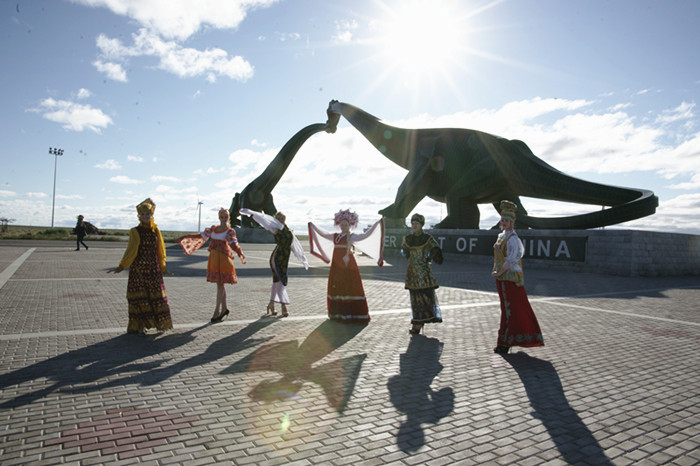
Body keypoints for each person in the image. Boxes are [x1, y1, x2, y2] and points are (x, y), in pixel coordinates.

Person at [107, 198, 173, 335]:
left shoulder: (156, 231)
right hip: (139, 270)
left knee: (156, 297)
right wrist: (121, 266)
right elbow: (131, 250)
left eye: (147, 214)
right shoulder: (135, 231)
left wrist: (163, 267)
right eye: (142, 214)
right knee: (139, 298)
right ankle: (139, 326)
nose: (145, 217)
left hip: (153, 270)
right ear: (139, 216)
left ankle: (158, 323)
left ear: (151, 215)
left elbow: (161, 250)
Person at [308, 209, 384, 324]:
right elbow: (323, 234)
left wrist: (377, 224)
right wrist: (313, 226)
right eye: (342, 224)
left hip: (348, 266)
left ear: (350, 225)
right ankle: (338, 314)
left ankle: (351, 314)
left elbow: (365, 235)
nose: (343, 226)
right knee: (338, 286)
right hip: (337, 266)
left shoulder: (352, 237)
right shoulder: (335, 236)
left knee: (349, 286)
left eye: (345, 224)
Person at [492, 200, 544, 354]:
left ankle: (506, 342)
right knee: (506, 309)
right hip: (502, 278)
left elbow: (511, 260)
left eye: (507, 220)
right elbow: (498, 258)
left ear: (512, 222)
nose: (504, 222)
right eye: (503, 220)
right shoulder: (502, 236)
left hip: (510, 279)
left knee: (512, 310)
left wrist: (499, 272)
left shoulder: (513, 239)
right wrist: (495, 270)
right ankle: (504, 341)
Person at [176, 208, 246, 323]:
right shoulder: (214, 229)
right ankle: (224, 309)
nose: (224, 219)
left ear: (228, 218)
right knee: (220, 284)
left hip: (223, 259)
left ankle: (216, 311)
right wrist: (186, 238)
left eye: (226, 217)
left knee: (220, 284)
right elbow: (200, 236)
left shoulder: (230, 231)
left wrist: (240, 253)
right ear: (219, 218)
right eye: (222, 217)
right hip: (214, 259)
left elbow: (233, 243)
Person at [240, 208, 309, 317]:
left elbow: (295, 246)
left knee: (277, 281)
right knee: (281, 281)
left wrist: (303, 259)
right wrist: (253, 213)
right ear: (276, 219)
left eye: (283, 218)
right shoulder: (275, 228)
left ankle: (271, 304)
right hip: (277, 257)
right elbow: (264, 220)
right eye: (279, 218)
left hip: (285, 258)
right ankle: (283, 306)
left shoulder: (289, 231)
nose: (281, 220)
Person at [401, 213, 443, 335]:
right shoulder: (409, 238)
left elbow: (436, 248)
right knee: (414, 297)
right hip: (412, 272)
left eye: (416, 224)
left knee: (424, 297)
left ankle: (420, 322)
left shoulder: (427, 238)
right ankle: (416, 322)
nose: (414, 226)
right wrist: (408, 256)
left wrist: (429, 257)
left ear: (421, 225)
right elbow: (404, 249)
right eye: (413, 223)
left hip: (423, 272)